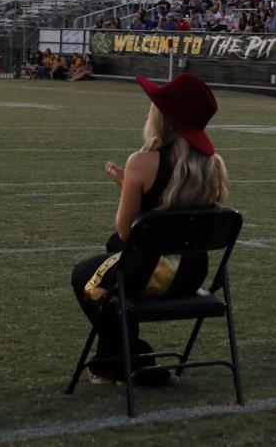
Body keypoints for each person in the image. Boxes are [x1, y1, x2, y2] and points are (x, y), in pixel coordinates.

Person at [70, 74, 229, 385]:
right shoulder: (213, 164)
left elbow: (129, 231)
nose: (147, 113)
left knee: (83, 274)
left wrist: (129, 184)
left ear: (164, 118)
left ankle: (136, 360)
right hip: (192, 273)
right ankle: (112, 364)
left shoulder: (141, 162)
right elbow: (175, 214)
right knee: (113, 247)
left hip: (150, 273)